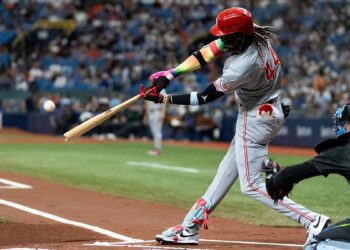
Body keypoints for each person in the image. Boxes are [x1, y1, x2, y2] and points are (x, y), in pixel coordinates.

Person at [141, 7, 329, 245]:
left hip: (256, 118)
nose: (221, 39)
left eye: (226, 35)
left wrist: (164, 98)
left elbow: (203, 98)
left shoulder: (242, 65)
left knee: (251, 186)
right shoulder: (255, 35)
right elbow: (207, 53)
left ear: (238, 37)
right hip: (269, 109)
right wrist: (170, 75)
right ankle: (190, 227)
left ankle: (313, 220)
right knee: (225, 172)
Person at [263, 103, 350, 249]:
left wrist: (275, 180)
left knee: (315, 244)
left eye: (348, 122)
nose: (346, 125)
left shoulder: (342, 152)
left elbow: (286, 178)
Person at [144, 89, 167, 156]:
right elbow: (147, 102)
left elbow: (164, 100)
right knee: (154, 131)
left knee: (157, 131)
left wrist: (163, 112)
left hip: (157, 111)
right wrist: (146, 115)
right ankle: (156, 148)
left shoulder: (161, 89)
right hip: (150, 112)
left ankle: (157, 149)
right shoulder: (149, 88)